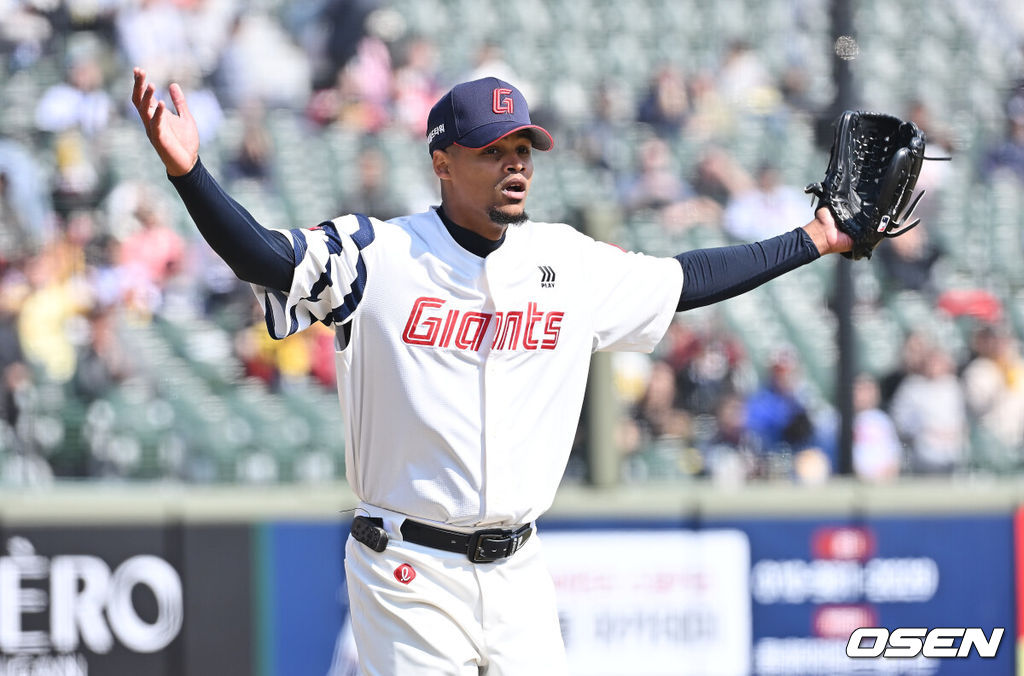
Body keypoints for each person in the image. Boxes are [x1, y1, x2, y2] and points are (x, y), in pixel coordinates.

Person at [131, 67, 853, 675]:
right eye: (491, 151)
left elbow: (688, 277)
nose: (515, 165)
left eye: (523, 149)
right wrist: (189, 173)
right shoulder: (377, 255)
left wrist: (814, 237)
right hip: (407, 568)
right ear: (442, 162)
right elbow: (262, 256)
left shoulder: (565, 260)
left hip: (519, 571)